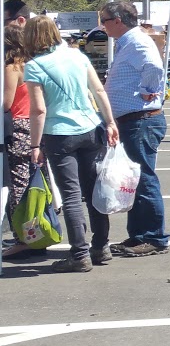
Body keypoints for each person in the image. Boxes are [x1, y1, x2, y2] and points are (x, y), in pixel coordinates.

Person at [21, 16, 121, 271]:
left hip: (59, 135)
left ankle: (79, 254)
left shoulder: (34, 66)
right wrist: (110, 122)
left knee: (71, 196)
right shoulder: (77, 56)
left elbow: (39, 110)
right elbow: (99, 91)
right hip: (90, 127)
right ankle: (101, 246)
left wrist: (35, 145)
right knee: (94, 192)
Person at [97, 1, 170, 259]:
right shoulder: (128, 42)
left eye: (104, 20)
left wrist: (149, 90)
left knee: (144, 178)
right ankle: (139, 235)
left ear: (118, 20)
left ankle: (154, 237)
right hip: (133, 119)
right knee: (135, 179)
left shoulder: (137, 42)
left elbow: (154, 67)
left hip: (141, 119)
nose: (101, 25)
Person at [2, 25, 34, 258]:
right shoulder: (32, 63)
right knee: (32, 183)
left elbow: (7, 102)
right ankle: (34, 235)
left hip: (19, 126)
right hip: (34, 124)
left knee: (18, 185)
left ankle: (23, 239)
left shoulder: (13, 67)